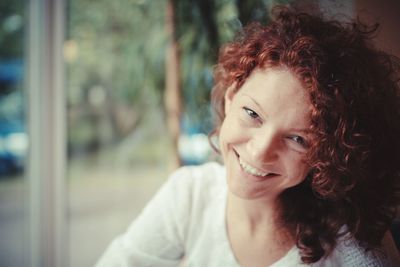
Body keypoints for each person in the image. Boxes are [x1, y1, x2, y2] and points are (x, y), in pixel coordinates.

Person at [96, 7, 400, 267]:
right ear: (230, 97)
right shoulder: (189, 195)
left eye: (298, 139)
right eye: (252, 114)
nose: (258, 153)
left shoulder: (352, 245)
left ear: (327, 156)